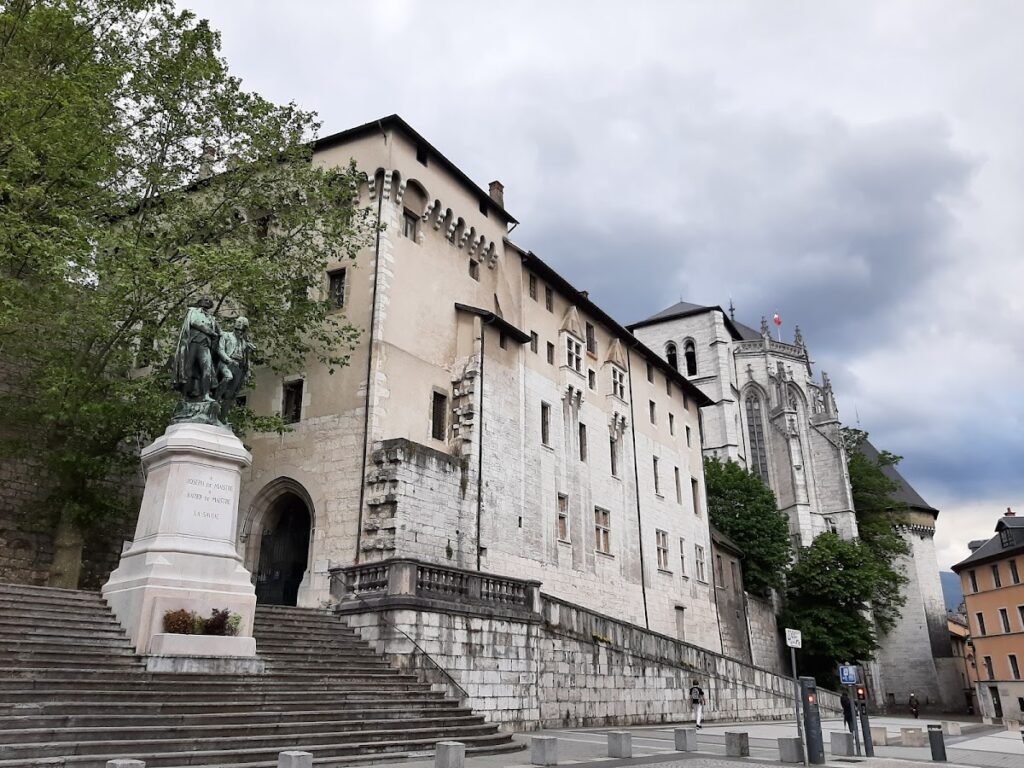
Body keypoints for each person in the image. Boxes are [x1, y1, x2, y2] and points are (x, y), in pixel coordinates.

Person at [172, 296, 221, 401]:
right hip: (192, 343)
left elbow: (220, 333)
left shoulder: (211, 318)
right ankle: (184, 395)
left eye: (209, 300)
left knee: (207, 369)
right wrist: (211, 332)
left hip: (205, 345)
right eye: (205, 299)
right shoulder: (193, 311)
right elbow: (194, 322)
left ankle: (206, 395)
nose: (207, 301)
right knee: (187, 369)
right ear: (200, 302)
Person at [215, 316, 255, 418]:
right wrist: (229, 360)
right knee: (228, 377)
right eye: (238, 329)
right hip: (227, 363)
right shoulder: (226, 336)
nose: (239, 332)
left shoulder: (244, 342)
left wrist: (248, 371)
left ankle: (223, 417)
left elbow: (247, 359)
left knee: (231, 394)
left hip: (239, 367)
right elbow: (220, 350)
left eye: (242, 330)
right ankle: (215, 398)